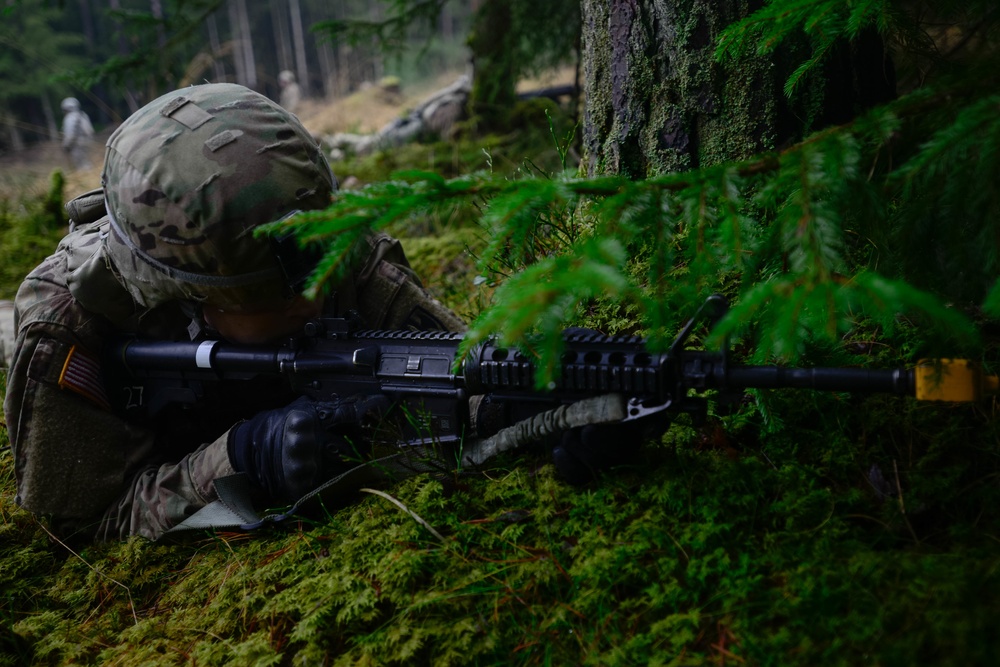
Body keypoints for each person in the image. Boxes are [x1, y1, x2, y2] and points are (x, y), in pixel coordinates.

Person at [3, 83, 464, 541]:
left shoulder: (331, 250)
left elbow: (470, 367)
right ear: (188, 298)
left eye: (326, 265)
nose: (316, 296)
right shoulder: (69, 326)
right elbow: (82, 520)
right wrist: (238, 460)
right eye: (282, 297)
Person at [60, 97, 95, 171]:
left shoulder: (70, 118)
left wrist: (66, 145)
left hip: (76, 146)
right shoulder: (83, 115)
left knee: (80, 166)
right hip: (87, 144)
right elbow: (90, 131)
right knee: (86, 162)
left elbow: (70, 135)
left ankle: (85, 180)